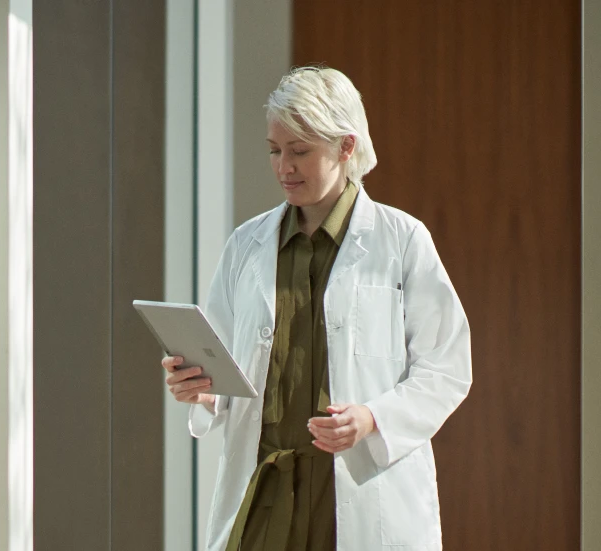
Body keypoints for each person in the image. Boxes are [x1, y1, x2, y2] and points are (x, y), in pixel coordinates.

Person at [162, 66, 472, 551]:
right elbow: (223, 362)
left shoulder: (402, 241)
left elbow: (446, 368)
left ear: (346, 147)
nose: (284, 166)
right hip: (266, 497)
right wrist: (201, 390)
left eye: (300, 151)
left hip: (357, 490)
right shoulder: (246, 245)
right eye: (274, 150)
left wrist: (373, 418)